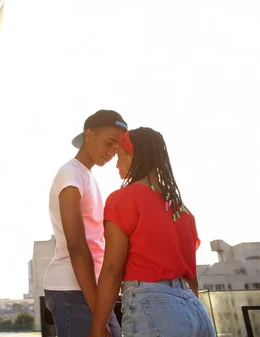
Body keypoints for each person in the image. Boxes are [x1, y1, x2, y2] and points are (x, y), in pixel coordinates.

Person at [89, 127, 216, 337]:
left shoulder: (122, 199)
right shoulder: (182, 211)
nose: (117, 165)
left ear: (132, 158)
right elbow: (192, 278)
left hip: (155, 309)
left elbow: (113, 269)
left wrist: (97, 326)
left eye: (120, 156)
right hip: (195, 311)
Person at [44, 110, 127, 337]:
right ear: (88, 135)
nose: (112, 152)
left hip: (90, 290)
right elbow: (77, 246)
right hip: (73, 290)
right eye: (109, 143)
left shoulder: (87, 176)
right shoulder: (70, 174)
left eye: (116, 148)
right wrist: (98, 318)